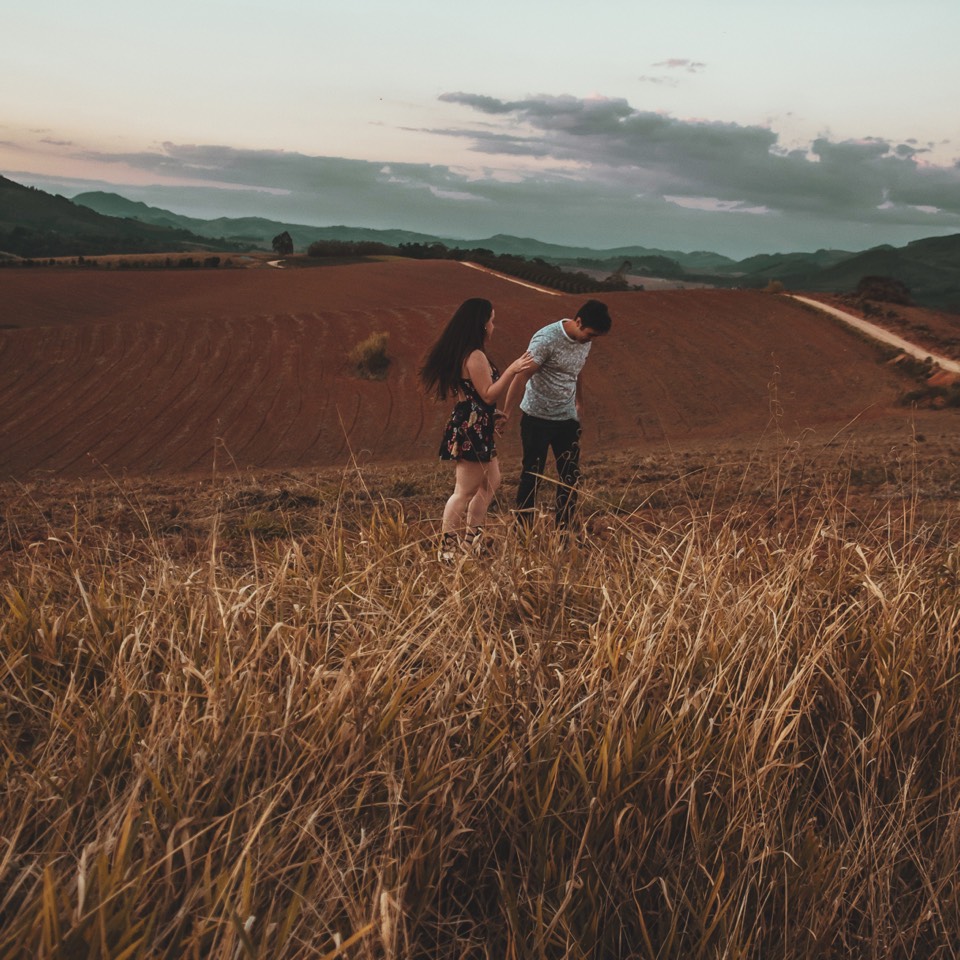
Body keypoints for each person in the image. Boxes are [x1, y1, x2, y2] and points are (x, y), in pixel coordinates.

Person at [420, 298, 536, 562]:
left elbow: (475, 397)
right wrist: (512, 370)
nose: (494, 326)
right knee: (464, 491)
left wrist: (489, 413)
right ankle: (447, 550)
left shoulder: (466, 353)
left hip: (475, 421)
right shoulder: (474, 355)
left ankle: (473, 542)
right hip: (472, 426)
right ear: (482, 324)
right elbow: (487, 394)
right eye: (492, 321)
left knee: (491, 483)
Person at [502, 299, 612, 532]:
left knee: (570, 475)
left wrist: (579, 402)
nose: (591, 340)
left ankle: (564, 530)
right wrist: (506, 412)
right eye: (590, 335)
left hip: (567, 418)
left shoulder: (585, 340)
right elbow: (521, 376)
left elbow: (577, 370)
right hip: (537, 418)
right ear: (578, 321)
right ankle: (523, 532)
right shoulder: (546, 339)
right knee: (532, 475)